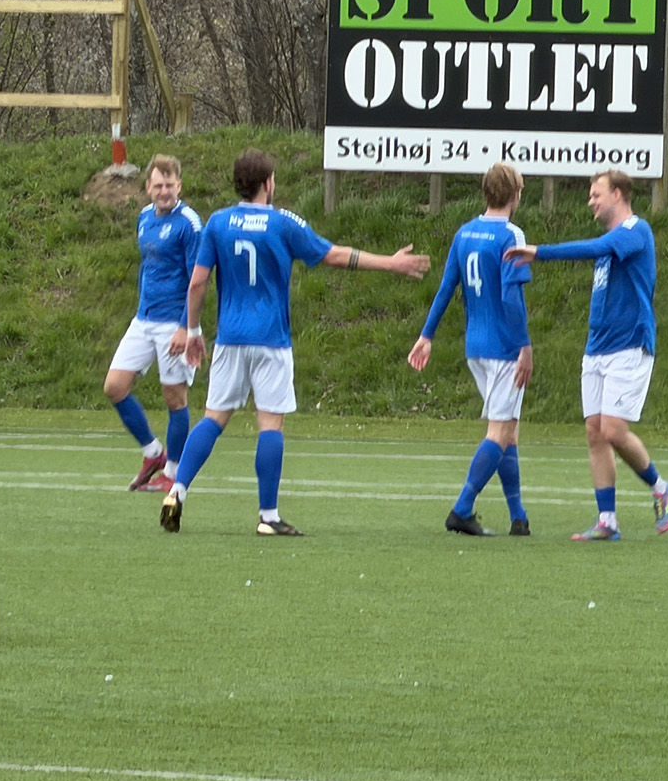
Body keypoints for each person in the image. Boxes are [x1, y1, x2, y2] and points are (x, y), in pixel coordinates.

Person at [160, 149, 429, 536]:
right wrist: (391, 263)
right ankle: (268, 516)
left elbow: (198, 282)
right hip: (271, 339)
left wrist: (194, 330)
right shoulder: (283, 223)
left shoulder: (218, 223)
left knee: (213, 418)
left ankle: (178, 491)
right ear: (268, 183)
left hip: (231, 339)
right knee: (270, 423)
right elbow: (333, 255)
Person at [505, 170, 668, 541]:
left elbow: (596, 250)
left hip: (630, 345)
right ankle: (607, 521)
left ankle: (660, 486)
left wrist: (540, 252)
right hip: (597, 348)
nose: (590, 200)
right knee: (595, 434)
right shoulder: (611, 240)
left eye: (596, 194)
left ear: (618, 194)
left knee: (613, 429)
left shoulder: (635, 231)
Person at [409, 162, 533, 537]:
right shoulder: (511, 235)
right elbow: (512, 299)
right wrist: (524, 345)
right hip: (504, 346)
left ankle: (518, 517)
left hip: (475, 346)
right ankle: (462, 508)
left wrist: (426, 335)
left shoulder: (465, 233)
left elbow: (447, 288)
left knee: (508, 430)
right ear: (515, 194)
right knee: (499, 431)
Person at [103, 154, 202, 494]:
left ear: (180, 185)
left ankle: (172, 472)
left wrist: (184, 327)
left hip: (173, 323)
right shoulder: (145, 217)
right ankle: (153, 453)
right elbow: (149, 268)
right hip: (143, 320)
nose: (164, 191)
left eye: (170, 185)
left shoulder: (189, 224)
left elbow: (197, 280)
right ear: (147, 187)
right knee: (115, 387)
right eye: (158, 185)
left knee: (174, 398)